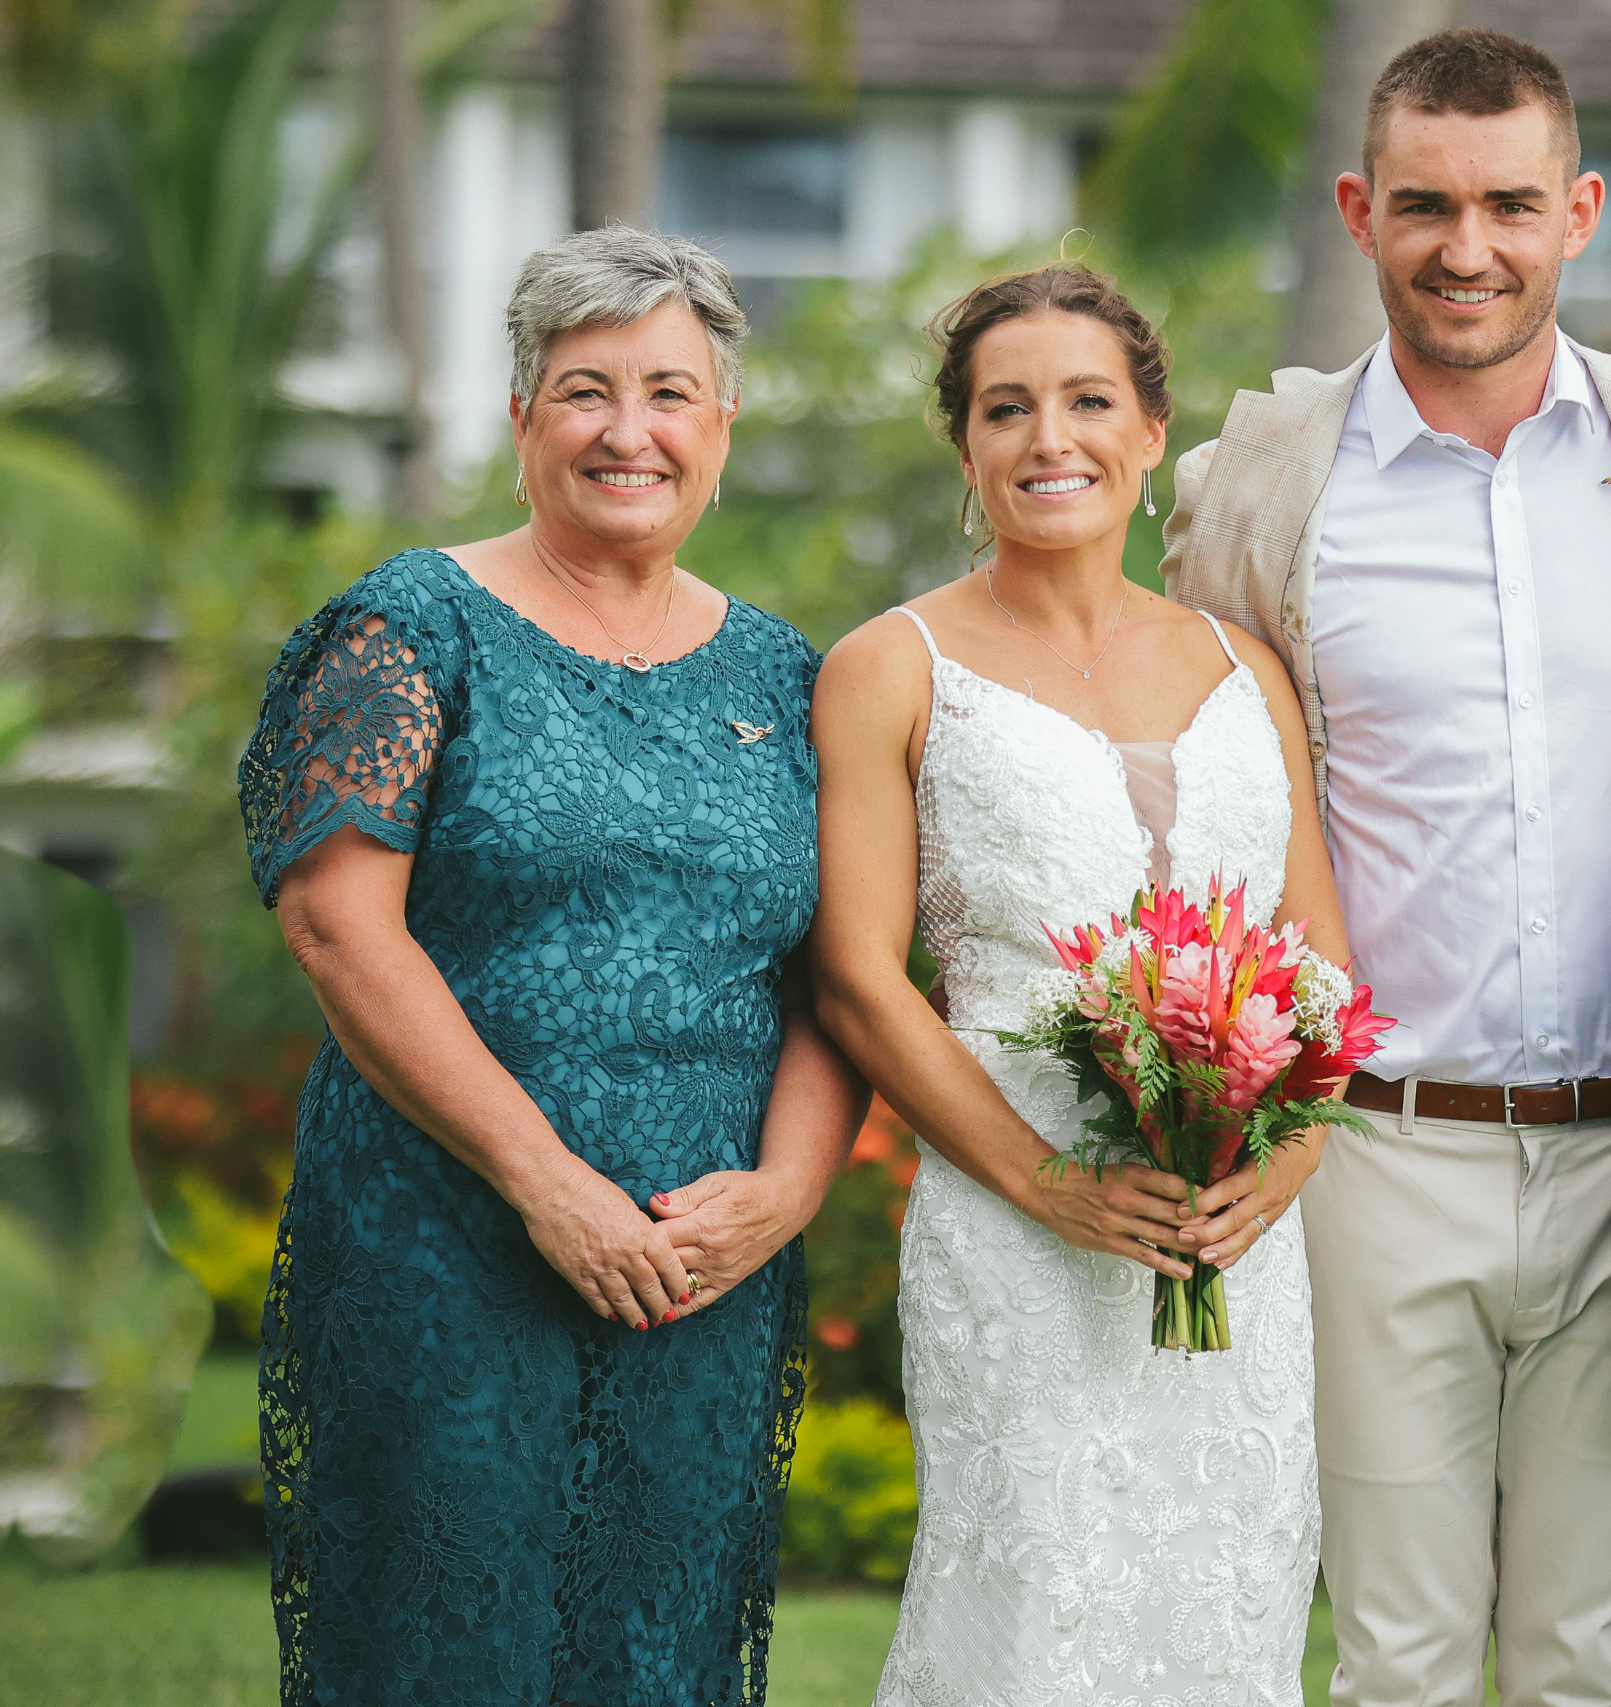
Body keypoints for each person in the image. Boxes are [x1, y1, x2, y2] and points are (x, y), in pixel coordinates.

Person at [1163, 29, 1611, 1706]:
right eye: (1426, 206)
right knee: (1399, 1659)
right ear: (1362, 211)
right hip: (1375, 1155)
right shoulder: (1264, 490)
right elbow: (1210, 792)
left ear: (1578, 210)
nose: (1468, 248)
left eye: (1511, 204)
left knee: (1588, 1660)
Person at [238, 226, 866, 1707]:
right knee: (443, 1649)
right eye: (587, 390)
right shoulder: (413, 624)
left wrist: (783, 1193)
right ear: (521, 418)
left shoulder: (791, 674)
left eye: (670, 391)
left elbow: (841, 977)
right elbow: (338, 923)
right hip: (446, 1244)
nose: (629, 431)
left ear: (721, 427)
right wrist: (548, 1182)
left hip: (697, 1274)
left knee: (657, 1649)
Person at [809, 262, 1350, 1705]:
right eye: (1008, 409)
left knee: (1229, 1607)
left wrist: (1275, 1171)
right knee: (1035, 1613)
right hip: (1016, 1241)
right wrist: (1050, 1182)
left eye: (1088, 400)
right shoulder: (889, 667)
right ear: (967, 448)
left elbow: (1324, 972)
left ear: (1153, 431)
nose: (1052, 438)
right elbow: (863, 981)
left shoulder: (1250, 669)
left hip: (1234, 1245)